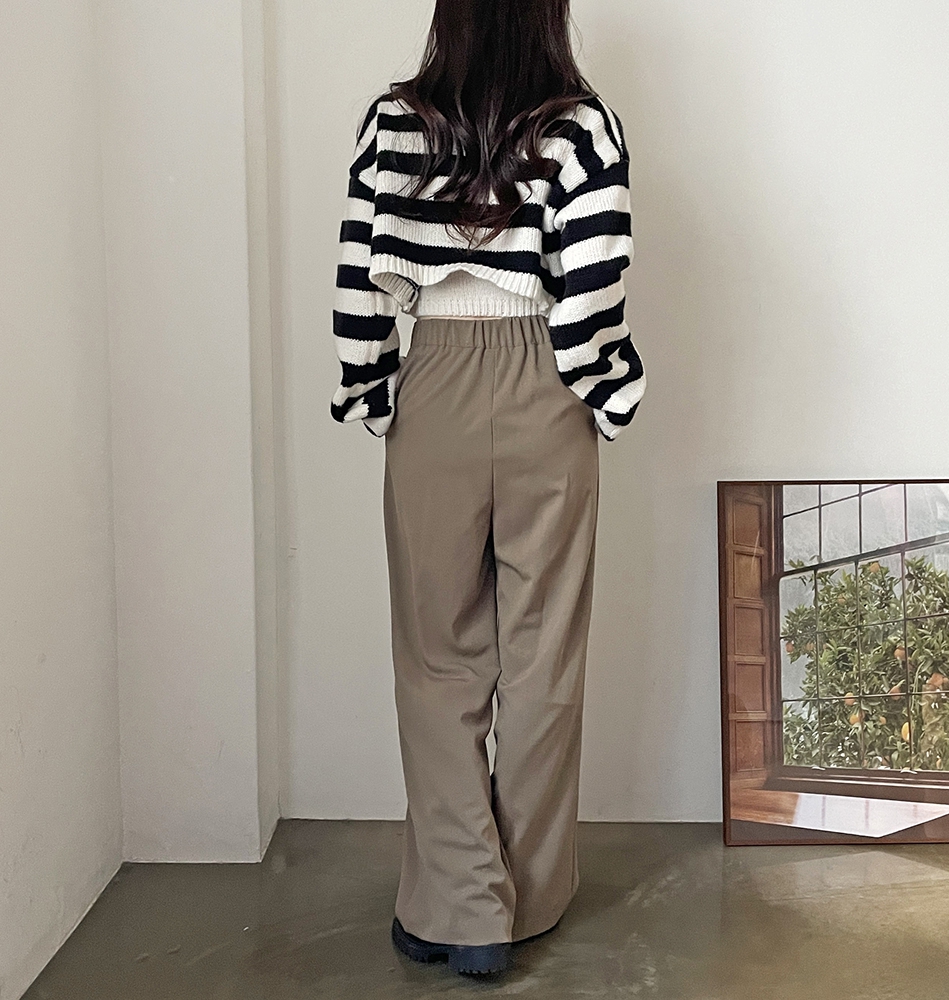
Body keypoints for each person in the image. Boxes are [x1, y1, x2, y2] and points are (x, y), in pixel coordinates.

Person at [329, 0, 646, 977]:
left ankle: (460, 905)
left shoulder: (394, 121)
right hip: (546, 383)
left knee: (438, 658)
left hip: (435, 383)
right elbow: (594, 287)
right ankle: (529, 896)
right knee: (543, 655)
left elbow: (359, 279)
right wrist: (602, 390)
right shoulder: (583, 125)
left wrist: (372, 390)